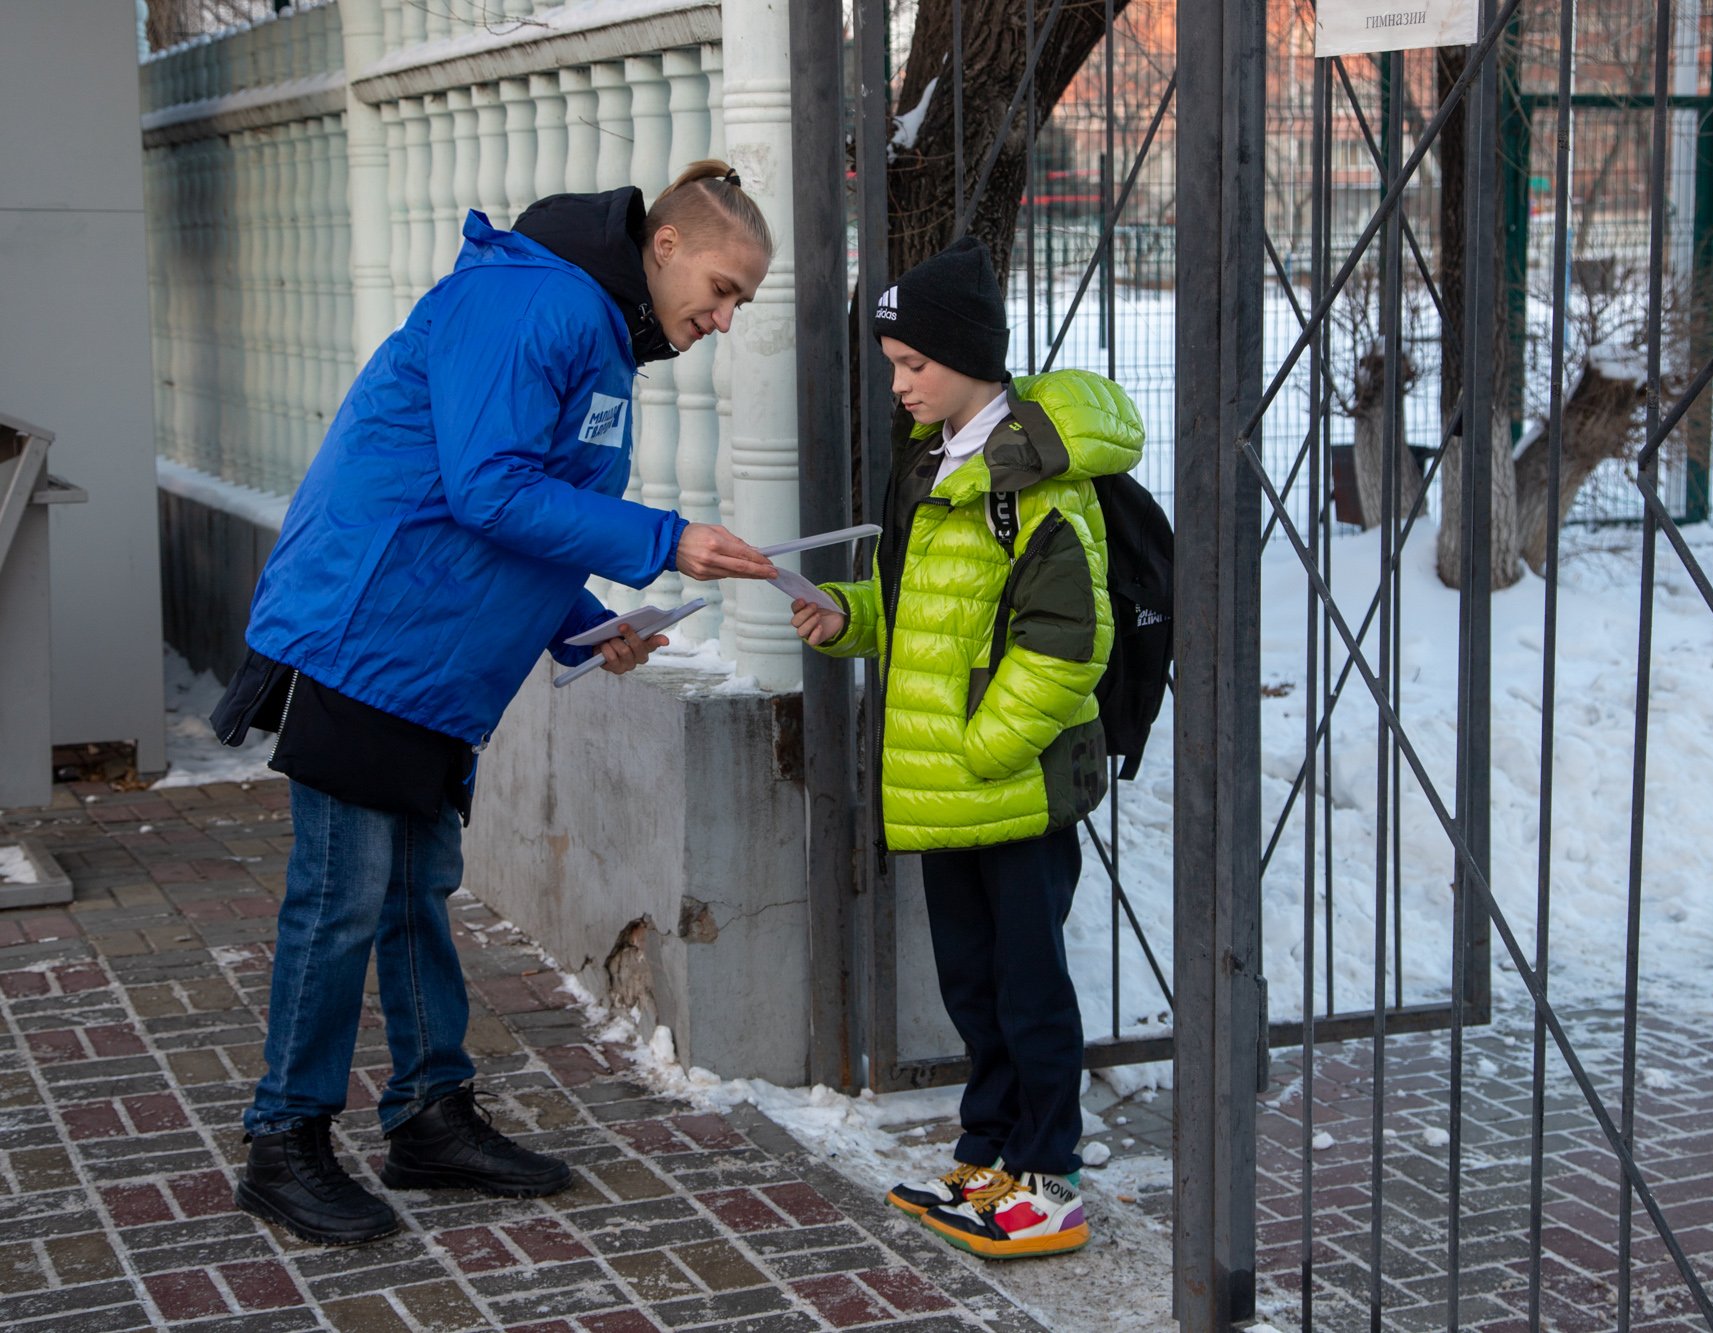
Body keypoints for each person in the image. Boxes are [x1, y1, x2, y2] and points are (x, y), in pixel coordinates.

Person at [210, 161, 777, 1246]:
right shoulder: (535, 300)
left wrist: (588, 623)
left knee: (416, 886)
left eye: (740, 301)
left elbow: (518, 518)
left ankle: (428, 1113)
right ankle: (284, 1142)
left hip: (430, 656)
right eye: (721, 287)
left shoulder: (594, 328)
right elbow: (489, 486)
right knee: (339, 899)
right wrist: (664, 540)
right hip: (364, 632)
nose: (722, 316)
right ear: (663, 246)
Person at [791, 236, 1143, 1260]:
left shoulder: (1032, 479)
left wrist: (986, 744)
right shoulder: (930, 465)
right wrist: (850, 616)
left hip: (1007, 786)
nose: (898, 384)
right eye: (892, 365)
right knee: (972, 981)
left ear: (970, 358)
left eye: (913, 365)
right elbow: (925, 616)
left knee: (1029, 985)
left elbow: (1065, 640)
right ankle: (989, 1149)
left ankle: (1048, 1176)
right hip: (950, 787)